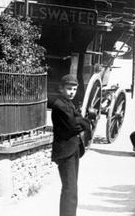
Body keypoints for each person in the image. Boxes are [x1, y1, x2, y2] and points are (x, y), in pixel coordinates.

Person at [51, 75, 93, 216]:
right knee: (70, 189)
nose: (72, 92)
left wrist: (81, 121)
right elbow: (72, 127)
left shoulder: (69, 104)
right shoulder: (59, 105)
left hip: (73, 149)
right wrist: (82, 122)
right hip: (65, 152)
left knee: (72, 188)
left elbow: (83, 122)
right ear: (61, 88)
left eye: (74, 89)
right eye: (69, 89)